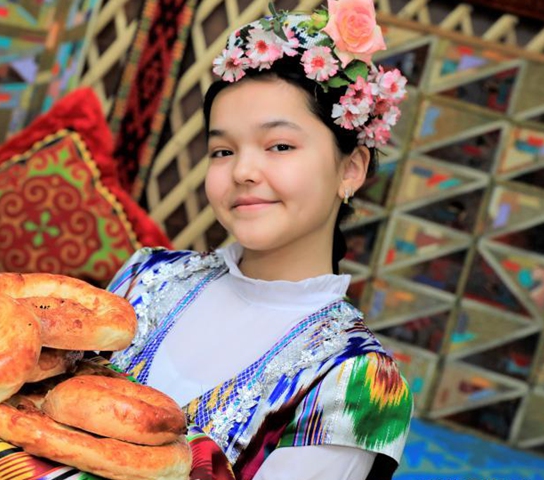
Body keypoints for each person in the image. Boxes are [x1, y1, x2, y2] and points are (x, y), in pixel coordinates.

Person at [106, 2, 413, 479]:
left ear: (350, 169)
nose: (244, 172)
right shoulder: (148, 274)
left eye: (280, 147)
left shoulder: (355, 379)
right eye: (223, 151)